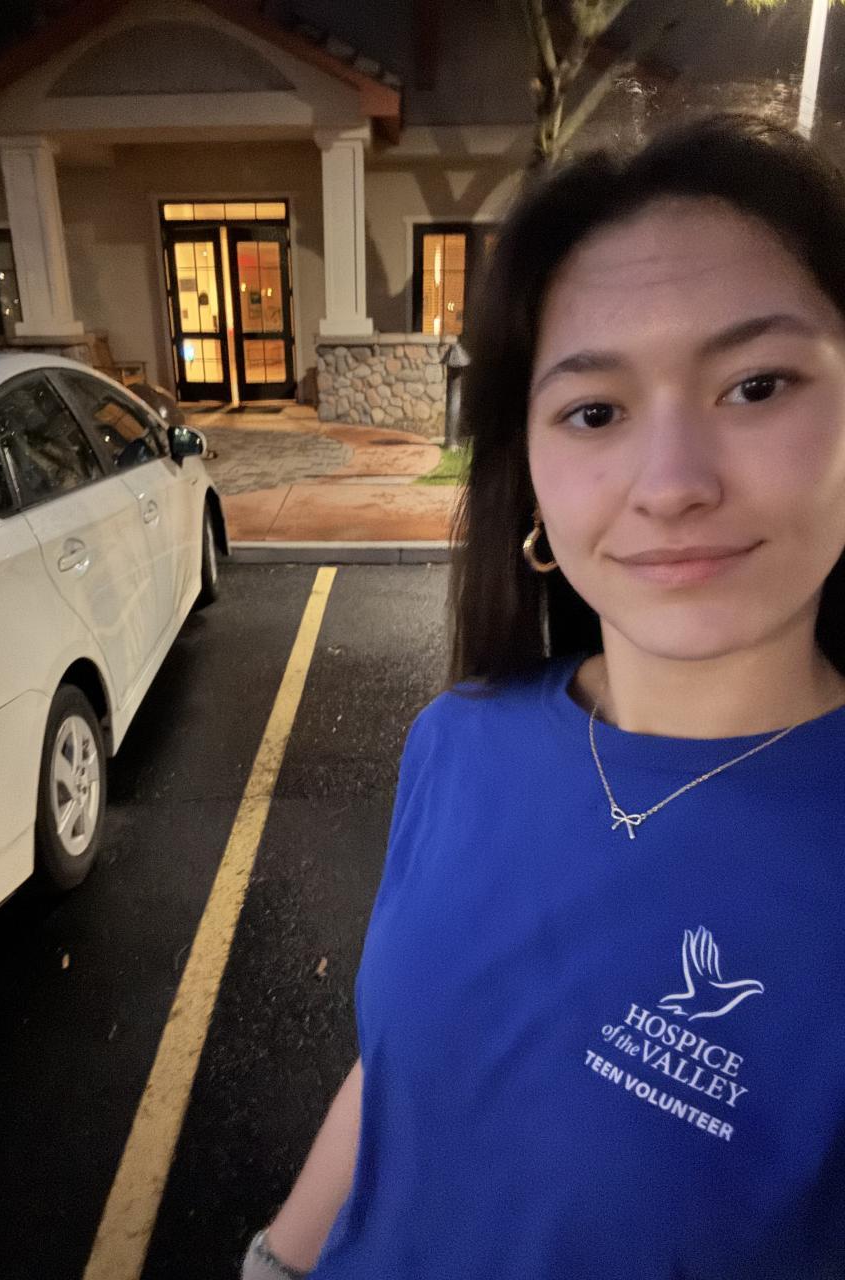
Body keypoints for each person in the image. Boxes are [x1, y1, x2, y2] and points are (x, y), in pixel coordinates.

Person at [241, 112, 845, 1279]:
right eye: (596, 411)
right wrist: (275, 1260)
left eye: (756, 384)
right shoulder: (457, 740)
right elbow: (404, 1061)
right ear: (529, 472)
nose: (671, 484)